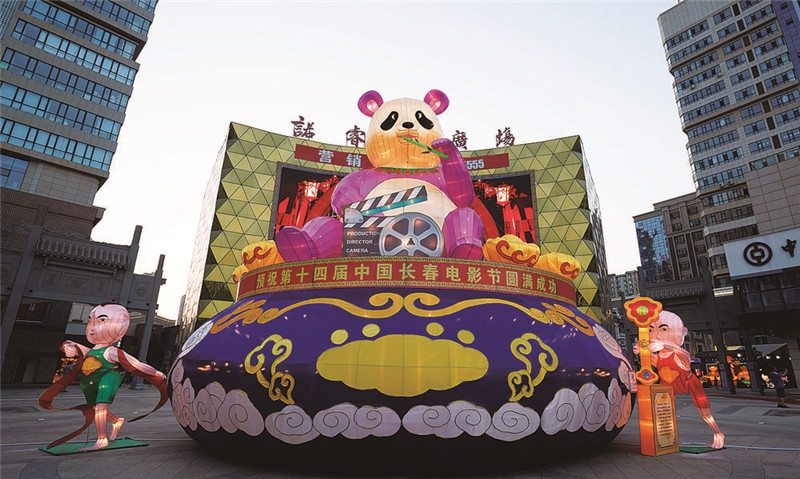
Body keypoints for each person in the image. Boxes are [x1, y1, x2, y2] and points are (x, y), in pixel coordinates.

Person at [57, 304, 166, 451]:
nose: (93, 328)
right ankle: (116, 421)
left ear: (121, 327)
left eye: (102, 320)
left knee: (100, 407)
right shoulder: (91, 350)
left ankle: (102, 439)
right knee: (96, 408)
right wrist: (69, 346)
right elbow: (75, 348)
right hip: (91, 380)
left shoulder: (112, 352)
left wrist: (157, 373)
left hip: (108, 377)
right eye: (90, 321)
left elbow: (137, 364)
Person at [645, 311, 725, 449]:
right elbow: (649, 357)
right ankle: (665, 438)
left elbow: (682, 353)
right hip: (668, 385)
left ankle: (718, 433)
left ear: (681, 332)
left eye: (664, 329)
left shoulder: (681, 354)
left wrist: (665, 345)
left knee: (704, 412)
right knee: (664, 412)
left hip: (688, 383)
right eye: (652, 330)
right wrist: (641, 349)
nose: (657, 335)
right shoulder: (659, 357)